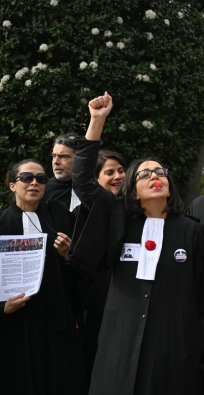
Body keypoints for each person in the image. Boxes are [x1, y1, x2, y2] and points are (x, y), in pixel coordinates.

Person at [71, 92, 204, 395]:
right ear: (133, 191)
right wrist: (97, 121)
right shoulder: (118, 222)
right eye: (145, 174)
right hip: (119, 339)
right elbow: (83, 181)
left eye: (160, 172)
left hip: (173, 344)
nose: (155, 176)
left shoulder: (193, 233)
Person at [0, 159, 88, 394]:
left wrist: (67, 256)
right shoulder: (1, 223)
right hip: (15, 324)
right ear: (12, 185)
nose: (34, 183)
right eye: (27, 178)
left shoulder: (59, 217)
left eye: (41, 179)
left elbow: (80, 274)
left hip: (55, 320)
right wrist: (2, 308)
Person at [82, 148, 127, 378]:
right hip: (95, 303)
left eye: (121, 170)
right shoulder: (85, 213)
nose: (118, 176)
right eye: (110, 172)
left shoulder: (136, 211)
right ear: (96, 179)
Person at [44, 132, 82, 211]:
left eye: (63, 156)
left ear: (79, 159)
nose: (56, 162)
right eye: (54, 156)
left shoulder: (92, 188)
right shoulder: (43, 189)